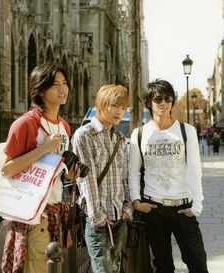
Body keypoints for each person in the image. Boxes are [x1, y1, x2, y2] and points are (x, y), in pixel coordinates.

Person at [0, 63, 79, 273]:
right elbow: (6, 169)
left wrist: (69, 173)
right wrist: (44, 148)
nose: (63, 89)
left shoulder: (65, 126)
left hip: (55, 215)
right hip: (34, 219)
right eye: (55, 84)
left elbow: (53, 168)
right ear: (41, 89)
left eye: (65, 83)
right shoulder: (26, 124)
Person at [128, 79, 209, 273]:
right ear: (149, 102)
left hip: (183, 208)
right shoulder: (139, 134)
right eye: (157, 99)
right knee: (163, 267)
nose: (163, 102)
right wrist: (136, 201)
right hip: (154, 209)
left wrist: (196, 205)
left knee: (198, 263)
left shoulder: (186, 131)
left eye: (168, 98)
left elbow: (194, 170)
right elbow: (133, 171)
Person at [72, 84, 133, 273]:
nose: (119, 112)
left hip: (119, 217)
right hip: (98, 222)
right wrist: (98, 216)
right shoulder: (85, 135)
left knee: (115, 269)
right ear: (102, 103)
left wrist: (127, 208)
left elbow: (125, 177)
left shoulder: (120, 139)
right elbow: (86, 180)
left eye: (123, 108)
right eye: (115, 105)